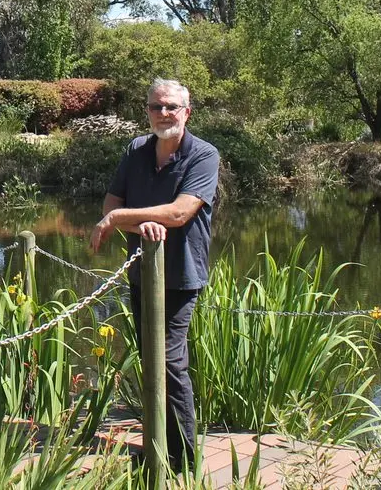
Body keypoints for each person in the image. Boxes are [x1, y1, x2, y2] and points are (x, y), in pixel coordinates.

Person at [88, 78, 219, 473]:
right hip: (141, 272)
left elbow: (179, 212)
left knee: (170, 364)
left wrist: (119, 218)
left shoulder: (203, 155)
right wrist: (138, 222)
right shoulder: (136, 150)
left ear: (187, 112)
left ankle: (183, 461)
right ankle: (158, 447)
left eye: (171, 107)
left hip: (181, 275)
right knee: (151, 360)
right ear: (147, 111)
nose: (163, 113)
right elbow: (111, 203)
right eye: (156, 106)